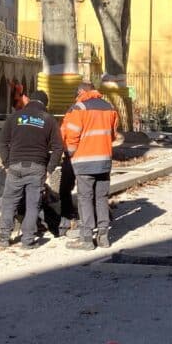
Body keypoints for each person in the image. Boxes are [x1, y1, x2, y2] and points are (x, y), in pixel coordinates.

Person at [0, 89, 63, 249]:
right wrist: (50, 169)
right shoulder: (49, 120)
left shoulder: (15, 117)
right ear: (45, 104)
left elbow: (2, 142)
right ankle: (27, 240)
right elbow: (58, 148)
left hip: (15, 166)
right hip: (37, 167)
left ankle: (4, 238)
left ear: (29, 101)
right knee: (33, 204)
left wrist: (7, 163)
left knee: (9, 202)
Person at [61, 80, 123, 250]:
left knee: (85, 198)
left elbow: (71, 136)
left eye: (77, 94)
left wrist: (71, 154)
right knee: (101, 198)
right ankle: (103, 236)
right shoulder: (109, 108)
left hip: (85, 161)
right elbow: (112, 135)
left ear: (81, 92)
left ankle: (87, 238)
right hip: (104, 160)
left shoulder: (79, 108)